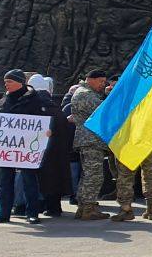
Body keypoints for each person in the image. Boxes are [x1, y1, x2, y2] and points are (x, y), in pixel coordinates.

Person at [0, 70, 52, 225]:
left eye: (9, 81)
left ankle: (32, 213)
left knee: (29, 181)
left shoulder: (34, 99)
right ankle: (3, 213)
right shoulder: (4, 99)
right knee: (5, 182)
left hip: (26, 149)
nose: (6, 84)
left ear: (20, 82)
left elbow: (41, 121)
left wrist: (46, 131)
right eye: (5, 81)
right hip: (7, 149)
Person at [67, 70, 111, 221]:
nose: (103, 84)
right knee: (94, 175)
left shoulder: (85, 92)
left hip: (89, 140)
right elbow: (105, 110)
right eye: (100, 81)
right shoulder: (85, 94)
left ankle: (84, 207)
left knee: (88, 175)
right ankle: (89, 208)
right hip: (90, 140)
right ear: (90, 80)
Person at [30, 74, 71, 218]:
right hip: (57, 151)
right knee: (54, 178)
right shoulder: (54, 107)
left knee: (37, 179)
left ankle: (35, 207)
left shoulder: (32, 104)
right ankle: (54, 207)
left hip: (37, 150)